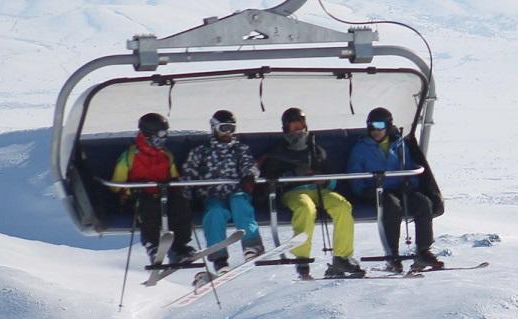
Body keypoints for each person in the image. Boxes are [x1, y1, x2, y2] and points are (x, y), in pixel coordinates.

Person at [260, 107, 364, 279]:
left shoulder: (315, 149)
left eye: (300, 125)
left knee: (342, 205)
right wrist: (294, 175)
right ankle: (302, 257)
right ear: (286, 129)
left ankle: (342, 256)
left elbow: (332, 176)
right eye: (294, 127)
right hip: (293, 192)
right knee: (306, 208)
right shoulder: (278, 151)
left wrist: (325, 181)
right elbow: (271, 177)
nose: (298, 130)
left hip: (318, 190)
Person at [347, 107, 443, 271]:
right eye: (371, 126)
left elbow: (409, 167)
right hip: (375, 190)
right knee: (391, 206)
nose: (375, 131)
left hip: (399, 188)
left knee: (423, 203)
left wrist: (410, 183)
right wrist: (363, 190)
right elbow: (354, 173)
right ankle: (393, 255)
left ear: (388, 126)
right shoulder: (361, 148)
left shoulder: (399, 145)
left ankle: (423, 251)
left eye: (379, 125)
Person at [182, 109, 264, 283]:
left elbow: (250, 165)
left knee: (239, 203)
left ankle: (251, 245)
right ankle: (219, 258)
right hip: (213, 194)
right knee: (215, 213)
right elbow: (188, 175)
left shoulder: (239, 149)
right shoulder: (201, 151)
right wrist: (185, 198)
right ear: (214, 127)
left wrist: (249, 175)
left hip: (236, 191)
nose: (228, 132)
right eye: (224, 127)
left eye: (232, 128)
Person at [110, 112, 193, 265]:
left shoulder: (166, 155)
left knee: (180, 204)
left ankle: (180, 246)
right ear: (148, 135)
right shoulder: (129, 157)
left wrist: (176, 188)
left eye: (165, 135)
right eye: (160, 135)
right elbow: (116, 185)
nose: (163, 139)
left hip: (163, 196)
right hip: (138, 198)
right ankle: (152, 246)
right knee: (148, 207)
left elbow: (174, 177)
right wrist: (132, 190)